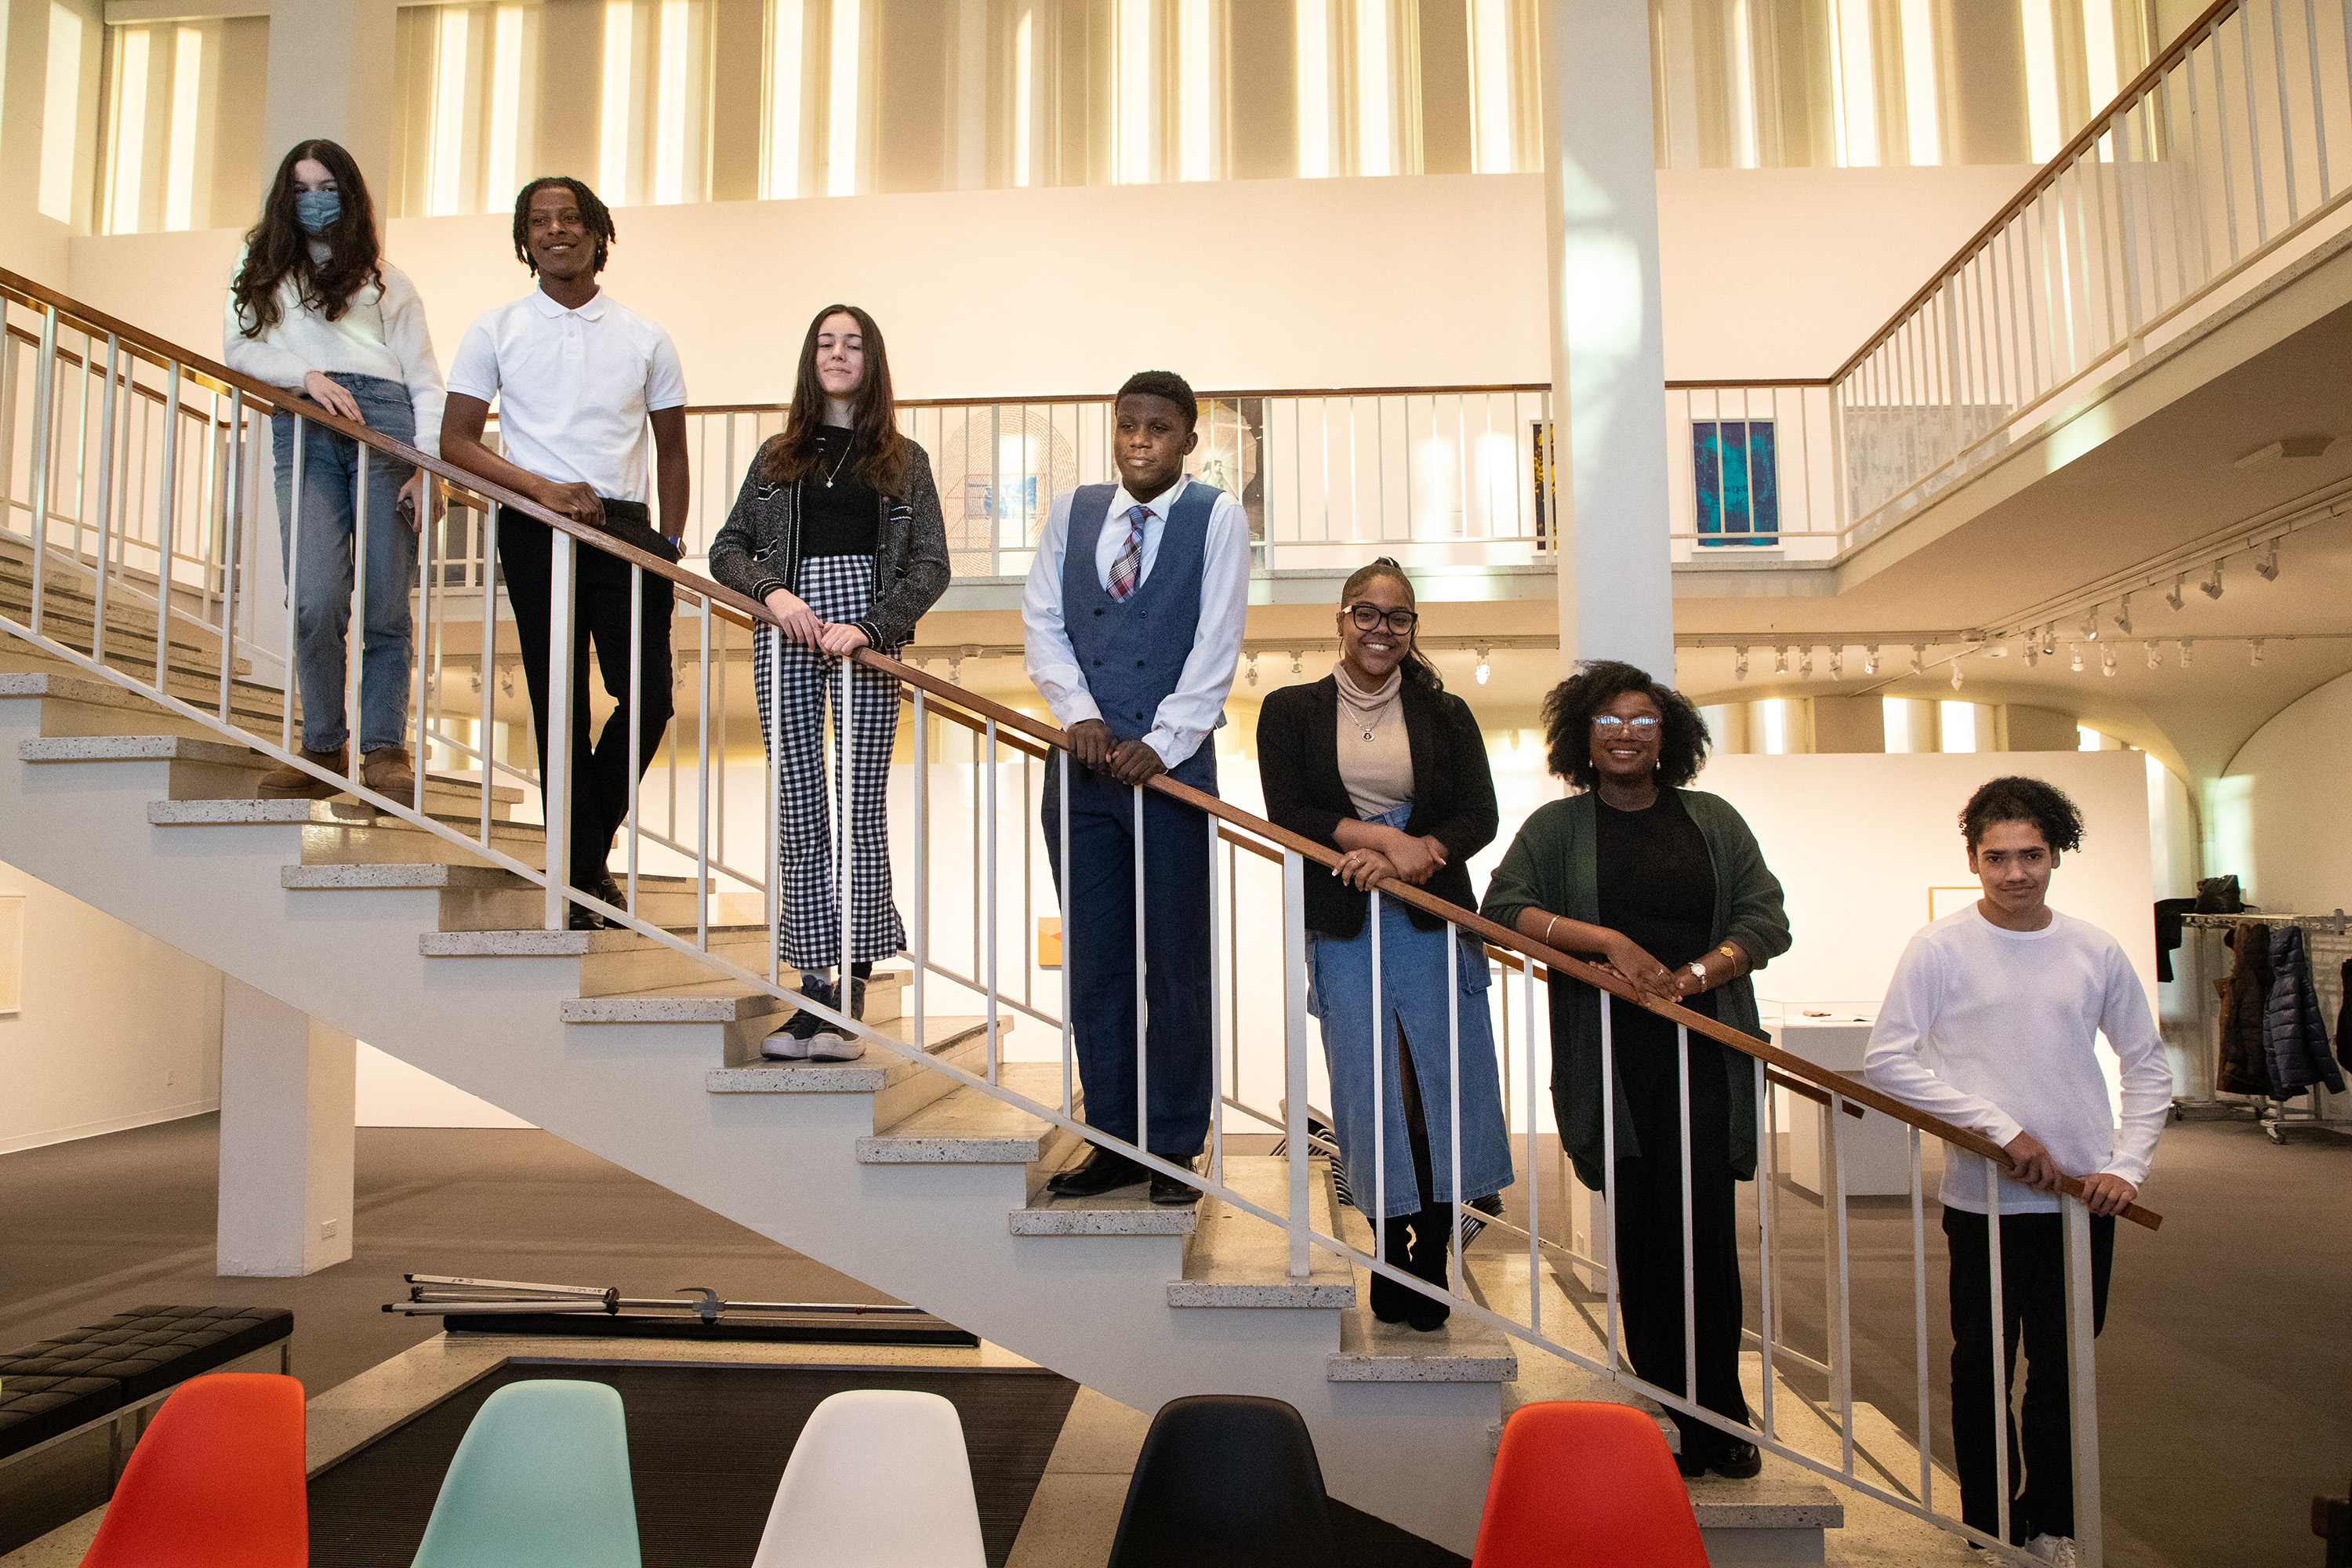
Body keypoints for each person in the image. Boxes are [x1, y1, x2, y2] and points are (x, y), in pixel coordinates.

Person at [1480, 660, 1789, 1478]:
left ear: (1670, 735)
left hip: (1703, 1049)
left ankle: (1720, 1408)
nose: (1625, 732)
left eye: (1643, 719)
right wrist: (1608, 944)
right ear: (1583, 735)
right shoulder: (1557, 828)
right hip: (1612, 1058)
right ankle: (1671, 1396)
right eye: (1609, 720)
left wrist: (1693, 978)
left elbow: (1767, 917)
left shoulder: (1712, 819)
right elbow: (1502, 908)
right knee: (1645, 1232)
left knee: (1703, 1231)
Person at [1864, 777, 2169, 1563]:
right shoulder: (1938, 948)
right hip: (1984, 1200)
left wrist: (2127, 1165)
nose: (2014, 872)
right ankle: (1989, 1525)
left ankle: (2050, 1524)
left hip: (2082, 1203)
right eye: (1996, 856)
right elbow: (1888, 1059)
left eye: (2030, 854)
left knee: (2063, 1374)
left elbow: (2147, 1065)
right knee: (1982, 1369)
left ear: (2055, 854)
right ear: (1973, 859)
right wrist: (2001, 1131)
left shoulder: (2095, 948)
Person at [1256, 558, 1512, 1331]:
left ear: (1411, 629)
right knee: (1374, 1089)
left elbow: (1481, 813)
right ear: (1340, 619)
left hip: (1429, 913)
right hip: (1345, 913)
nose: (1380, 628)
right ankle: (1390, 1245)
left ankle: (1430, 1254)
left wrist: (1420, 852)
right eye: (1365, 613)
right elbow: (1290, 808)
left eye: (1397, 617)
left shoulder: (1447, 712)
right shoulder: (1290, 708)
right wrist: (1374, 844)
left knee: (1435, 1082)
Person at [1022, 370, 1248, 1207]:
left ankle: (1175, 1145)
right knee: (1096, 964)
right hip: (1080, 773)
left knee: (1176, 966)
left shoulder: (1217, 518)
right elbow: (1042, 620)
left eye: (1158, 427)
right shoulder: (1074, 513)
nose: (1139, 440)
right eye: (1127, 426)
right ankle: (1114, 1137)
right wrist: (1076, 713)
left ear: (1190, 439)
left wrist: (1162, 742)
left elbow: (1217, 641)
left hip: (1174, 772)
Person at [439, 177, 688, 931]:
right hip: (535, 523)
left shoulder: (645, 335)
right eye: (539, 221)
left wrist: (671, 544)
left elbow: (672, 451)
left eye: (570, 218)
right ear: (525, 240)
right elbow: (454, 445)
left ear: (597, 232)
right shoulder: (495, 329)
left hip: (627, 529)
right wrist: (540, 490)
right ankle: (585, 880)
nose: (556, 231)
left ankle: (578, 859)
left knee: (648, 699)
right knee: (560, 703)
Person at [707, 306, 949, 1061]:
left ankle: (851, 993)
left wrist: (874, 628)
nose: (838, 354)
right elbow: (726, 547)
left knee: (858, 804)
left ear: (872, 361)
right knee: (800, 804)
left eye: (853, 344)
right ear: (810, 360)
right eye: (825, 343)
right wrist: (773, 593)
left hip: (865, 641)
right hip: (788, 628)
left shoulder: (903, 459)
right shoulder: (778, 456)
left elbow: (931, 565)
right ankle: (812, 991)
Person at [226, 139, 445, 804]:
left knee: (384, 600)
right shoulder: (264, 272)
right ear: (284, 199)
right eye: (301, 187)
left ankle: (384, 749)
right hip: (304, 422)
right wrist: (306, 375)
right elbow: (238, 348)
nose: (314, 198)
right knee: (316, 599)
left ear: (349, 196)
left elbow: (427, 381)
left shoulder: (387, 280)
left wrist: (427, 467)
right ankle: (323, 744)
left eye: (327, 186)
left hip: (385, 423)